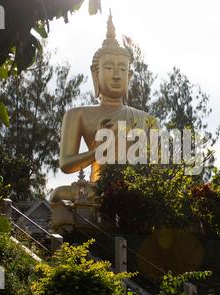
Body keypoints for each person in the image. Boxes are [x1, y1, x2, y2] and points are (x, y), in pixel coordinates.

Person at [50, 12, 158, 202]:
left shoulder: (148, 121)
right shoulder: (78, 115)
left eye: (122, 69)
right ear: (95, 73)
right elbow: (66, 164)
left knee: (150, 195)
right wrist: (96, 152)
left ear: (129, 76)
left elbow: (157, 168)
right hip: (97, 188)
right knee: (58, 195)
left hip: (134, 189)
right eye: (108, 68)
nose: (116, 75)